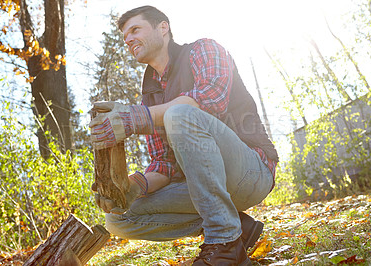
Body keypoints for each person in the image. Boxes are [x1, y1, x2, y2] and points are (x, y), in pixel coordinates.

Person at [89, 5, 279, 265]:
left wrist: (138, 118)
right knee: (118, 219)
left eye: (135, 29)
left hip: (250, 172)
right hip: (206, 186)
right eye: (125, 36)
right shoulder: (151, 95)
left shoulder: (203, 50)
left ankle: (224, 242)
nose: (129, 39)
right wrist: (132, 187)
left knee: (179, 113)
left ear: (163, 27)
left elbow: (211, 101)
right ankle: (237, 228)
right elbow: (164, 165)